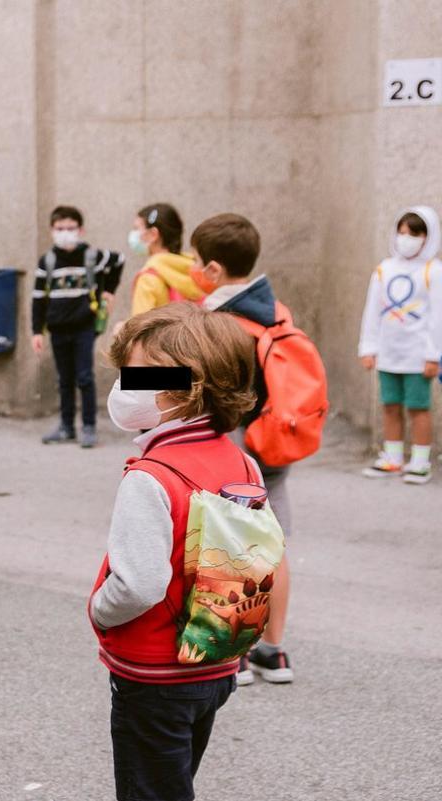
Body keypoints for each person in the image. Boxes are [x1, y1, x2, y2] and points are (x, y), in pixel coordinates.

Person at [90, 302, 261, 801]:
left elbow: (138, 583)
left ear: (187, 391)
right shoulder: (242, 462)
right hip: (215, 661)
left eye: (138, 376)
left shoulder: (151, 476)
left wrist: (100, 612)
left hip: (154, 672)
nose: (124, 387)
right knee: (175, 779)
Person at [193, 213, 302, 685]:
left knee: (232, 545)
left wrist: (132, 370)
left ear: (214, 270)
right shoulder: (276, 309)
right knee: (272, 546)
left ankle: (233, 655)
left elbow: (194, 386)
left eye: (198, 263)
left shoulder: (217, 323)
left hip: (235, 450)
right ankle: (273, 653)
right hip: (277, 442)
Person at [358, 206, 442, 484]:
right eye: (402, 232)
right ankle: (393, 457)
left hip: (418, 356)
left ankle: (419, 461)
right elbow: (372, 312)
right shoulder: (384, 270)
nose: (406, 238)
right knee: (390, 405)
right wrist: (368, 348)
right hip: (389, 353)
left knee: (418, 408)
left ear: (427, 237)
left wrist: (433, 355)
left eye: (413, 233)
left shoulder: (433, 270)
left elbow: (438, 317)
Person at [31, 205, 126, 448]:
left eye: (70, 228)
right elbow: (39, 298)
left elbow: (119, 260)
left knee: (84, 377)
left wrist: (109, 291)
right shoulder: (48, 261)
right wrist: (36, 331)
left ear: (80, 230)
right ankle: (66, 426)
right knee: (64, 379)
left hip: (84, 326)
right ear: (52, 230)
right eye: (60, 228)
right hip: (57, 328)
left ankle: (89, 426)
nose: (65, 233)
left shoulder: (92, 257)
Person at [127, 202, 201, 316]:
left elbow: (139, 330)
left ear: (153, 234)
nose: (133, 234)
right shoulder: (198, 269)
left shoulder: (148, 279)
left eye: (136, 228)